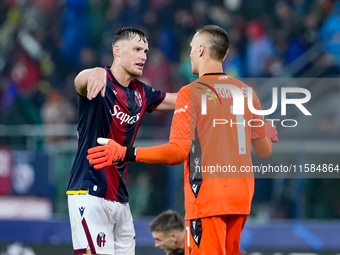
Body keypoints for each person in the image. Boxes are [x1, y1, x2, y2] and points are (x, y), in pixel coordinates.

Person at [87, 25, 278, 254]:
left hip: (208, 200)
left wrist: (126, 152)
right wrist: (265, 131)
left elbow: (177, 152)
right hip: (241, 198)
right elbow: (264, 150)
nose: (188, 54)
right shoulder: (248, 93)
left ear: (200, 50)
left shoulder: (192, 93)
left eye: (190, 48)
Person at [66, 27, 177, 255]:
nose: (143, 56)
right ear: (117, 50)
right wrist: (95, 71)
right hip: (90, 191)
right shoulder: (99, 81)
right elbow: (79, 82)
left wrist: (214, 89)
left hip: (121, 198)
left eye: (145, 51)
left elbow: (179, 100)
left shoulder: (142, 93)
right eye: (136, 49)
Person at [150, 210, 248, 255]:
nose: (156, 245)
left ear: (173, 237)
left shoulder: (205, 240)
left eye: (158, 240)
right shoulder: (180, 251)